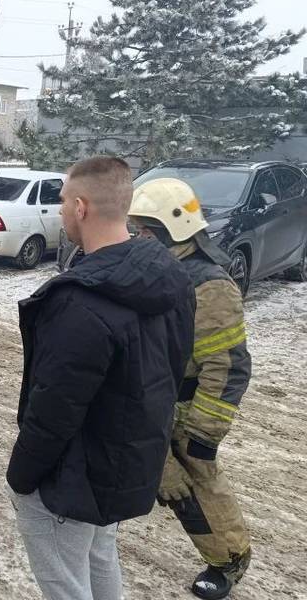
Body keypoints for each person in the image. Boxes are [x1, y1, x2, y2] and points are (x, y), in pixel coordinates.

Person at [6, 156, 195, 599]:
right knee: (98, 557)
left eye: (62, 201)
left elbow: (54, 408)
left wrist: (21, 477)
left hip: (71, 479)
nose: (60, 210)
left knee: (67, 586)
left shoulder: (79, 303)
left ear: (81, 207)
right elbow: (175, 367)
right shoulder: (171, 276)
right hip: (121, 466)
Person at [128, 178, 252, 600]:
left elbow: (229, 366)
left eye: (145, 230)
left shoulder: (208, 285)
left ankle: (227, 559)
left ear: (172, 230)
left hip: (184, 409)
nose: (137, 237)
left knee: (190, 487)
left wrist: (202, 435)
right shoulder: (154, 268)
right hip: (148, 397)